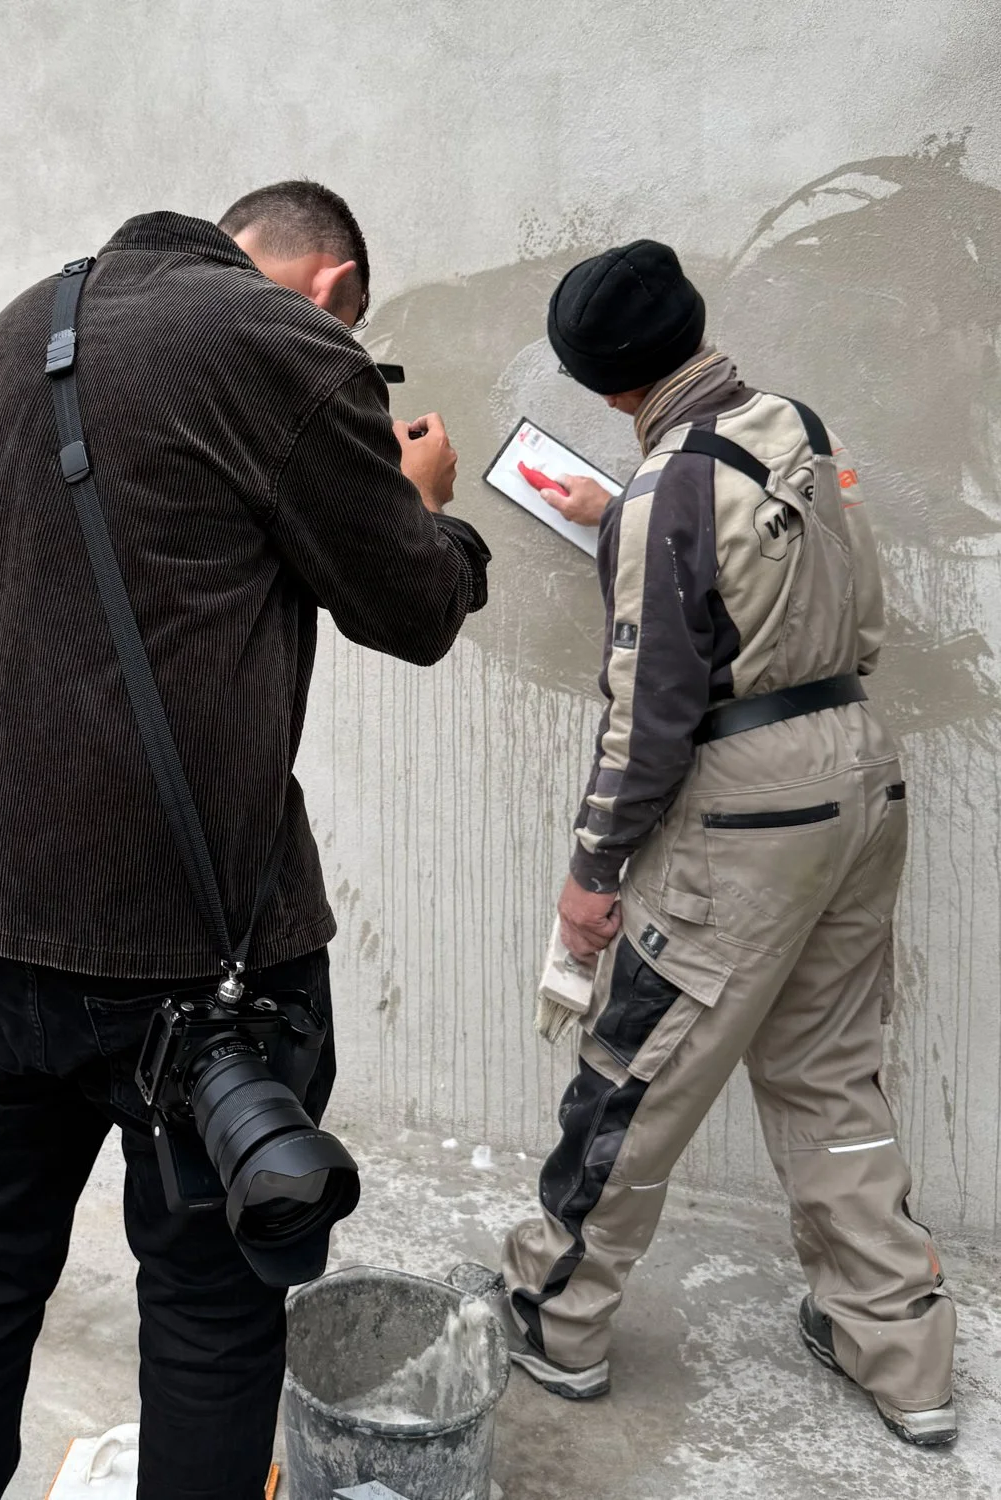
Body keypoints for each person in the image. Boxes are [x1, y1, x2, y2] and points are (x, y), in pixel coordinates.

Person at [0, 180, 491, 1499]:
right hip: (197, 963)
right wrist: (427, 504)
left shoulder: (19, 328)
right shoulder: (287, 344)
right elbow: (411, 606)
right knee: (211, 1310)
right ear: (336, 289)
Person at [497, 240, 956, 1445]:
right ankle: (902, 1351)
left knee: (635, 1073)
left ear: (605, 386)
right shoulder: (794, 427)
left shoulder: (669, 493)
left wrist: (593, 871)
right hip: (859, 770)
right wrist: (620, 520)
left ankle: (554, 1315)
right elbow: (813, 592)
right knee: (831, 1075)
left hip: (747, 808)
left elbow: (648, 713)